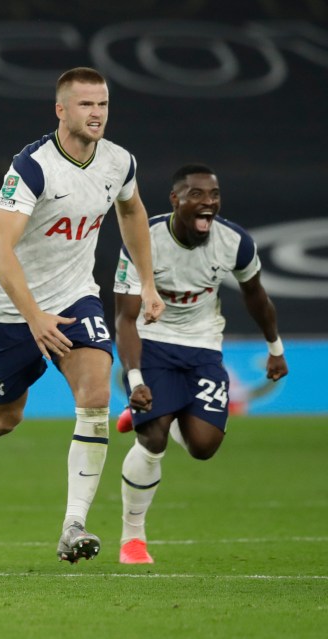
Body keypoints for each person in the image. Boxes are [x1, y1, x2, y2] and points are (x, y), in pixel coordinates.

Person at [0, 66, 165, 562]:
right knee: (4, 417)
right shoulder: (33, 167)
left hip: (76, 297)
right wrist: (35, 316)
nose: (97, 114)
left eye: (103, 104)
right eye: (86, 105)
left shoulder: (119, 162)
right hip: (14, 307)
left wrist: (147, 282)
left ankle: (73, 527)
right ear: (61, 110)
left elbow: (132, 212)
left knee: (95, 396)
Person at [113, 164, 288, 564]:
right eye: (197, 194)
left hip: (204, 347)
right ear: (175, 200)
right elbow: (125, 319)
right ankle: (133, 540)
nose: (208, 202)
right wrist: (136, 377)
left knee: (204, 448)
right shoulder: (143, 239)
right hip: (153, 341)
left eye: (214, 195)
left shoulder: (235, 242)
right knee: (153, 439)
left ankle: (159, 410)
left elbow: (256, 295)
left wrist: (275, 347)